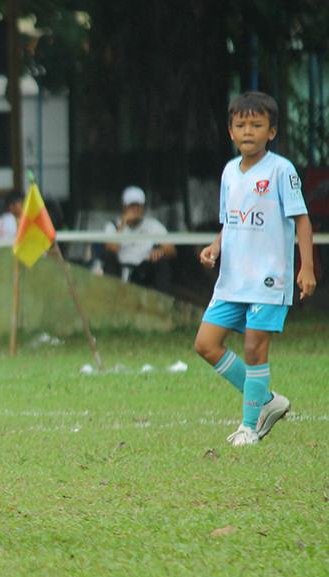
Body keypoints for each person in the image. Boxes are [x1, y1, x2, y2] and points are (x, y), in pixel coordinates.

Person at [194, 91, 316, 447]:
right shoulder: (229, 172)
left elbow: (302, 219)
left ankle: (249, 427)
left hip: (269, 277)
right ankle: (266, 401)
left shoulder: (281, 170)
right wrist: (215, 247)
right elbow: (230, 221)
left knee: (253, 347)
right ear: (230, 131)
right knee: (205, 344)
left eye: (257, 125)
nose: (248, 131)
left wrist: (306, 267)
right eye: (240, 124)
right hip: (231, 279)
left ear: (272, 132)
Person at [102, 186, 176, 292]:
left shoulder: (153, 225)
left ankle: (164, 302)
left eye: (138, 206)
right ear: (124, 207)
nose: (135, 210)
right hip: (119, 270)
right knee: (109, 258)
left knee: (161, 262)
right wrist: (123, 225)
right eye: (132, 206)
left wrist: (160, 251)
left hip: (143, 271)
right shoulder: (112, 226)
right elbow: (111, 249)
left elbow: (171, 250)